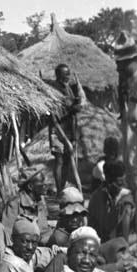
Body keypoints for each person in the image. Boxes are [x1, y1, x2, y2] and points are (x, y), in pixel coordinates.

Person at [48, 64, 85, 192]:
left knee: (67, 161)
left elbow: (71, 105)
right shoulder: (54, 88)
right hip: (58, 129)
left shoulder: (68, 88)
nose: (68, 76)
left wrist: (76, 104)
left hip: (69, 129)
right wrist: (74, 106)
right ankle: (59, 191)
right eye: (66, 74)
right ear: (59, 75)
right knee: (59, 160)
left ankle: (62, 188)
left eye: (69, 73)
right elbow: (64, 106)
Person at [88, 160, 135, 243]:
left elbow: (125, 230)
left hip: (120, 242)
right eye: (120, 183)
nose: (123, 185)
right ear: (109, 182)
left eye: (124, 181)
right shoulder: (96, 197)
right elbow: (92, 225)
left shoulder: (125, 198)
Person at [3, 166, 52, 245]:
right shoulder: (14, 204)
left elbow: (44, 230)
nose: (45, 186)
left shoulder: (39, 202)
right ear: (30, 187)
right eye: (41, 183)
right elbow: (7, 234)